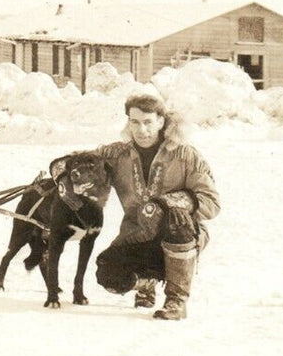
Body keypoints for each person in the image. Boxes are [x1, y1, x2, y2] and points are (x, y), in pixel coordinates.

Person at [92, 92, 220, 321]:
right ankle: (146, 282)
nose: (142, 130)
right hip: (137, 234)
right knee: (107, 273)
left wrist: (170, 204)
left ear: (161, 121)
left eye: (148, 122)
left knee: (176, 223)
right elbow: (85, 166)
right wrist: (62, 170)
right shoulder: (116, 154)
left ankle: (176, 301)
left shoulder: (184, 154)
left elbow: (211, 202)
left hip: (180, 235)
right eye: (135, 122)